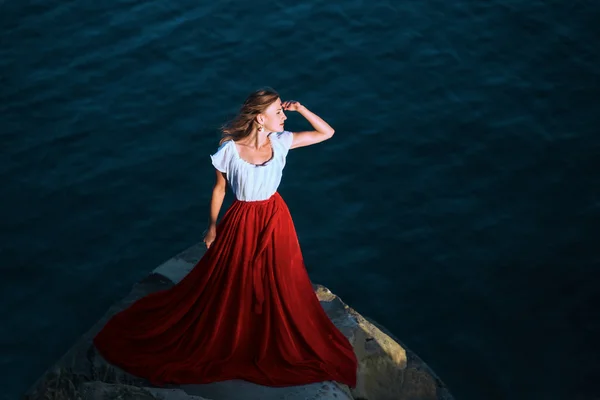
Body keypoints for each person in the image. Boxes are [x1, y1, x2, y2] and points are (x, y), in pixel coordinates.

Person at [93, 87, 358, 389]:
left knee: (279, 276)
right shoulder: (229, 150)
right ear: (260, 118)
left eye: (283, 112)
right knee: (235, 278)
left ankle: (266, 323)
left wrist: (301, 108)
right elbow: (219, 190)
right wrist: (212, 227)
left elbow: (328, 132)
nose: (283, 117)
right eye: (278, 113)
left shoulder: (282, 142)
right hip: (242, 219)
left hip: (275, 218)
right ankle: (240, 328)